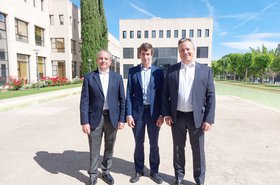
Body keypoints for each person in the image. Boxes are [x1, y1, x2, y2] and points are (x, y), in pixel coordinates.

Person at [162, 38, 216, 185]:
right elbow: (164, 94)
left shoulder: (206, 71)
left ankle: (199, 179)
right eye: (182, 50)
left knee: (198, 150)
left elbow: (211, 96)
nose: (185, 52)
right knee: (178, 149)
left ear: (193, 50)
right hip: (177, 117)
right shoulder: (172, 70)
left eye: (188, 49)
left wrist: (208, 119)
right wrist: (166, 114)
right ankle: (179, 176)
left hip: (196, 118)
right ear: (179, 52)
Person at [80, 50, 125, 185]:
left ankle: (106, 172)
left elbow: (122, 99)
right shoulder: (89, 77)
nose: (103, 61)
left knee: (109, 146)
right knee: (94, 148)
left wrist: (122, 119)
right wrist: (84, 121)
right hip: (95, 118)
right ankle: (93, 175)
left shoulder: (117, 77)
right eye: (100, 58)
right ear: (97, 61)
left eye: (106, 59)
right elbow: (84, 101)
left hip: (112, 118)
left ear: (110, 62)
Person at [126, 43, 164, 184]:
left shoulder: (158, 72)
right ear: (139, 55)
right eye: (143, 54)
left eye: (148, 54)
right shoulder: (132, 71)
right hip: (138, 114)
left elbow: (162, 96)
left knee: (154, 143)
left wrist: (161, 114)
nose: (145, 56)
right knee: (139, 143)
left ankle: (154, 171)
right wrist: (128, 114)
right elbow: (129, 94)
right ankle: (138, 170)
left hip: (154, 114)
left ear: (151, 55)